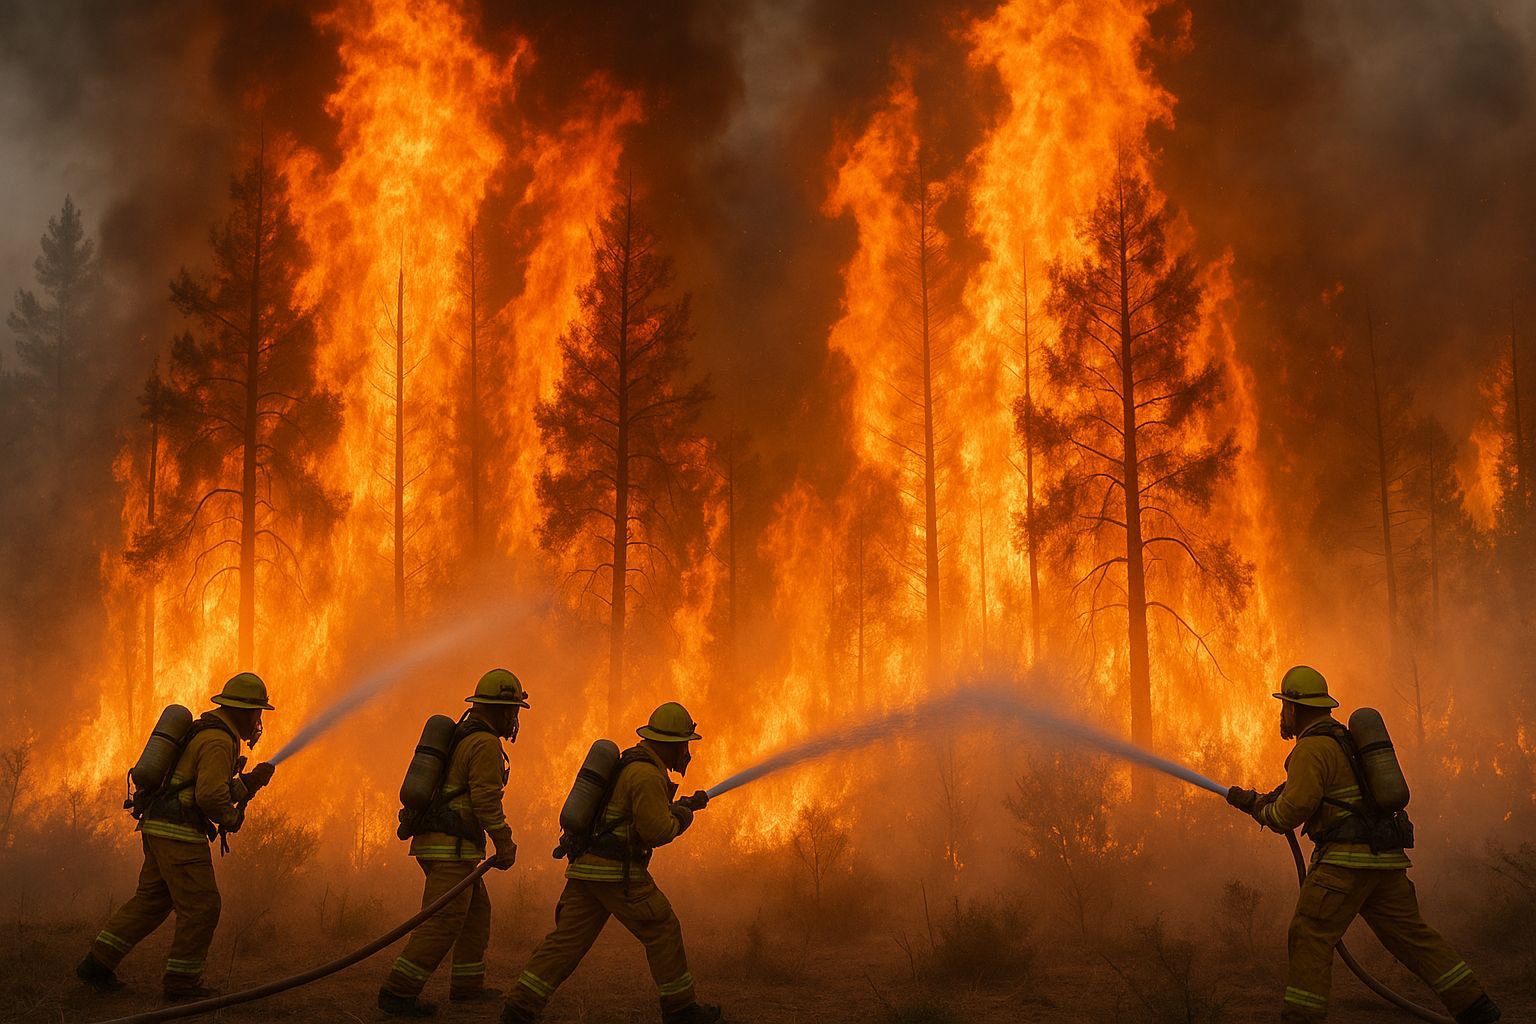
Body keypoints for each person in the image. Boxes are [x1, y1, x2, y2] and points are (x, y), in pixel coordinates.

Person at [1227, 665, 1500, 1024]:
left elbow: (1289, 812)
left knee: (1310, 933)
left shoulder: (1311, 748)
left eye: (1284, 706)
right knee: (1412, 937)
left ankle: (1301, 1018)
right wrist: (1261, 799)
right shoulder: (1345, 741)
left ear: (1294, 707)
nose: (1283, 714)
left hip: (1343, 865)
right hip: (1384, 862)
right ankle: (1476, 1008)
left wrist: (1262, 811)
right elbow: (1310, 793)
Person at [501, 702, 719, 1024]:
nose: (687, 753)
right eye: (685, 744)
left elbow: (633, 813)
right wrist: (684, 816)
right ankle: (681, 1010)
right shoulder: (646, 774)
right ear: (671, 744)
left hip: (587, 868)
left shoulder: (632, 763)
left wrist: (680, 805)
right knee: (662, 928)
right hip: (616, 873)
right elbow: (656, 831)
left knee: (566, 942)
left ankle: (518, 1008)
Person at [76, 672, 277, 1002]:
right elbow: (209, 797)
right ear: (242, 711)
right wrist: (231, 818)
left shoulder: (208, 731)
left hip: (160, 826)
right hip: (179, 833)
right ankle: (182, 984)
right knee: (202, 907)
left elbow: (203, 786)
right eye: (256, 712)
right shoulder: (219, 741)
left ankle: (96, 965)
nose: (258, 721)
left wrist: (250, 782)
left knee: (151, 902)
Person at [378, 668, 528, 1018]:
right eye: (512, 710)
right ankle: (398, 992)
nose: (514, 719)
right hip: (452, 847)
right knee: (443, 920)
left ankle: (467, 987)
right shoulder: (484, 743)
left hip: (441, 841)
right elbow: (485, 801)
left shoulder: (464, 734)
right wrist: (504, 842)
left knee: (475, 913)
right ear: (499, 709)